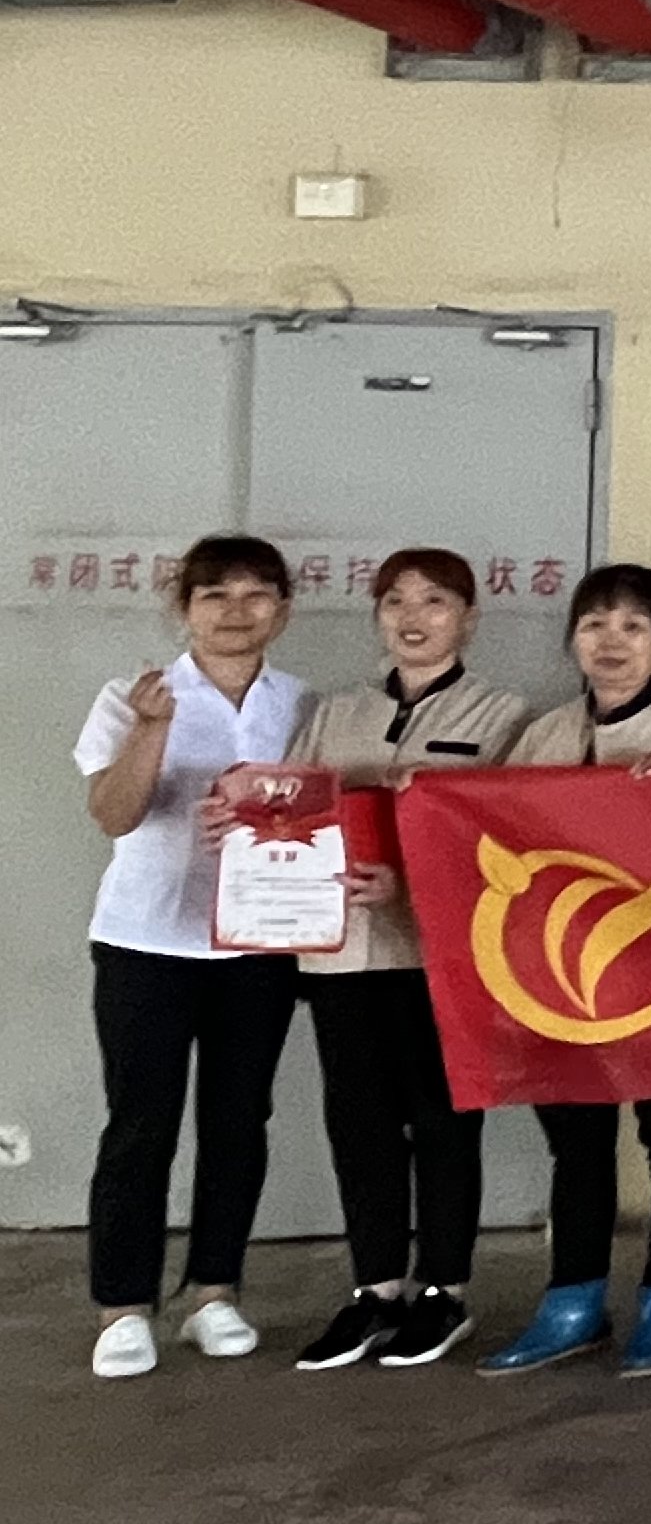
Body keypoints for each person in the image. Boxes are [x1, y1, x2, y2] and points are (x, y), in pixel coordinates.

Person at [483, 565, 651, 1375]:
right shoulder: (544, 737)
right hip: (559, 974)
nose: (612, 642)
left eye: (633, 626)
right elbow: (493, 838)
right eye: (595, 624)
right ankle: (573, 1300)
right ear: (573, 639)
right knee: (577, 1136)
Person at [72, 535, 310, 1381]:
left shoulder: (301, 704)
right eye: (215, 596)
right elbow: (114, 813)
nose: (236, 612)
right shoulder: (132, 696)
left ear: (283, 609)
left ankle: (215, 1291)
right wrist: (153, 730)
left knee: (239, 1120)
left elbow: (316, 817)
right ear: (184, 608)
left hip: (259, 943)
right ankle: (123, 1306)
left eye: (256, 595)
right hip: (146, 941)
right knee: (141, 1124)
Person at [288, 550, 531, 1372]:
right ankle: (376, 1289)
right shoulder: (335, 713)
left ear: (468, 618)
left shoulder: (505, 716)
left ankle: (444, 1291)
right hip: (339, 952)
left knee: (443, 1119)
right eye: (395, 601)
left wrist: (412, 880)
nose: (413, 617)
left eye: (434, 601)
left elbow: (510, 837)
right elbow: (292, 811)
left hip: (441, 955)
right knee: (358, 1123)